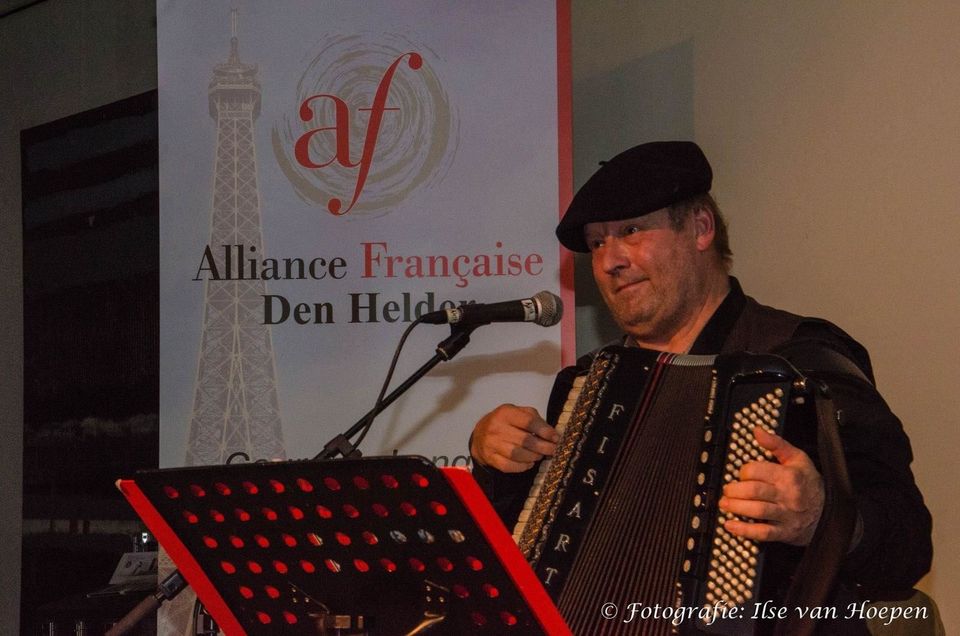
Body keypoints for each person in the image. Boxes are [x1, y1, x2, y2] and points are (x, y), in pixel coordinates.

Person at [469, 141, 932, 633]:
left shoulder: (803, 361)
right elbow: (529, 564)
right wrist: (497, 468)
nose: (608, 262)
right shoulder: (586, 389)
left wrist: (822, 518)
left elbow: (908, 545)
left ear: (701, 228)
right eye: (597, 243)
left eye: (630, 231)